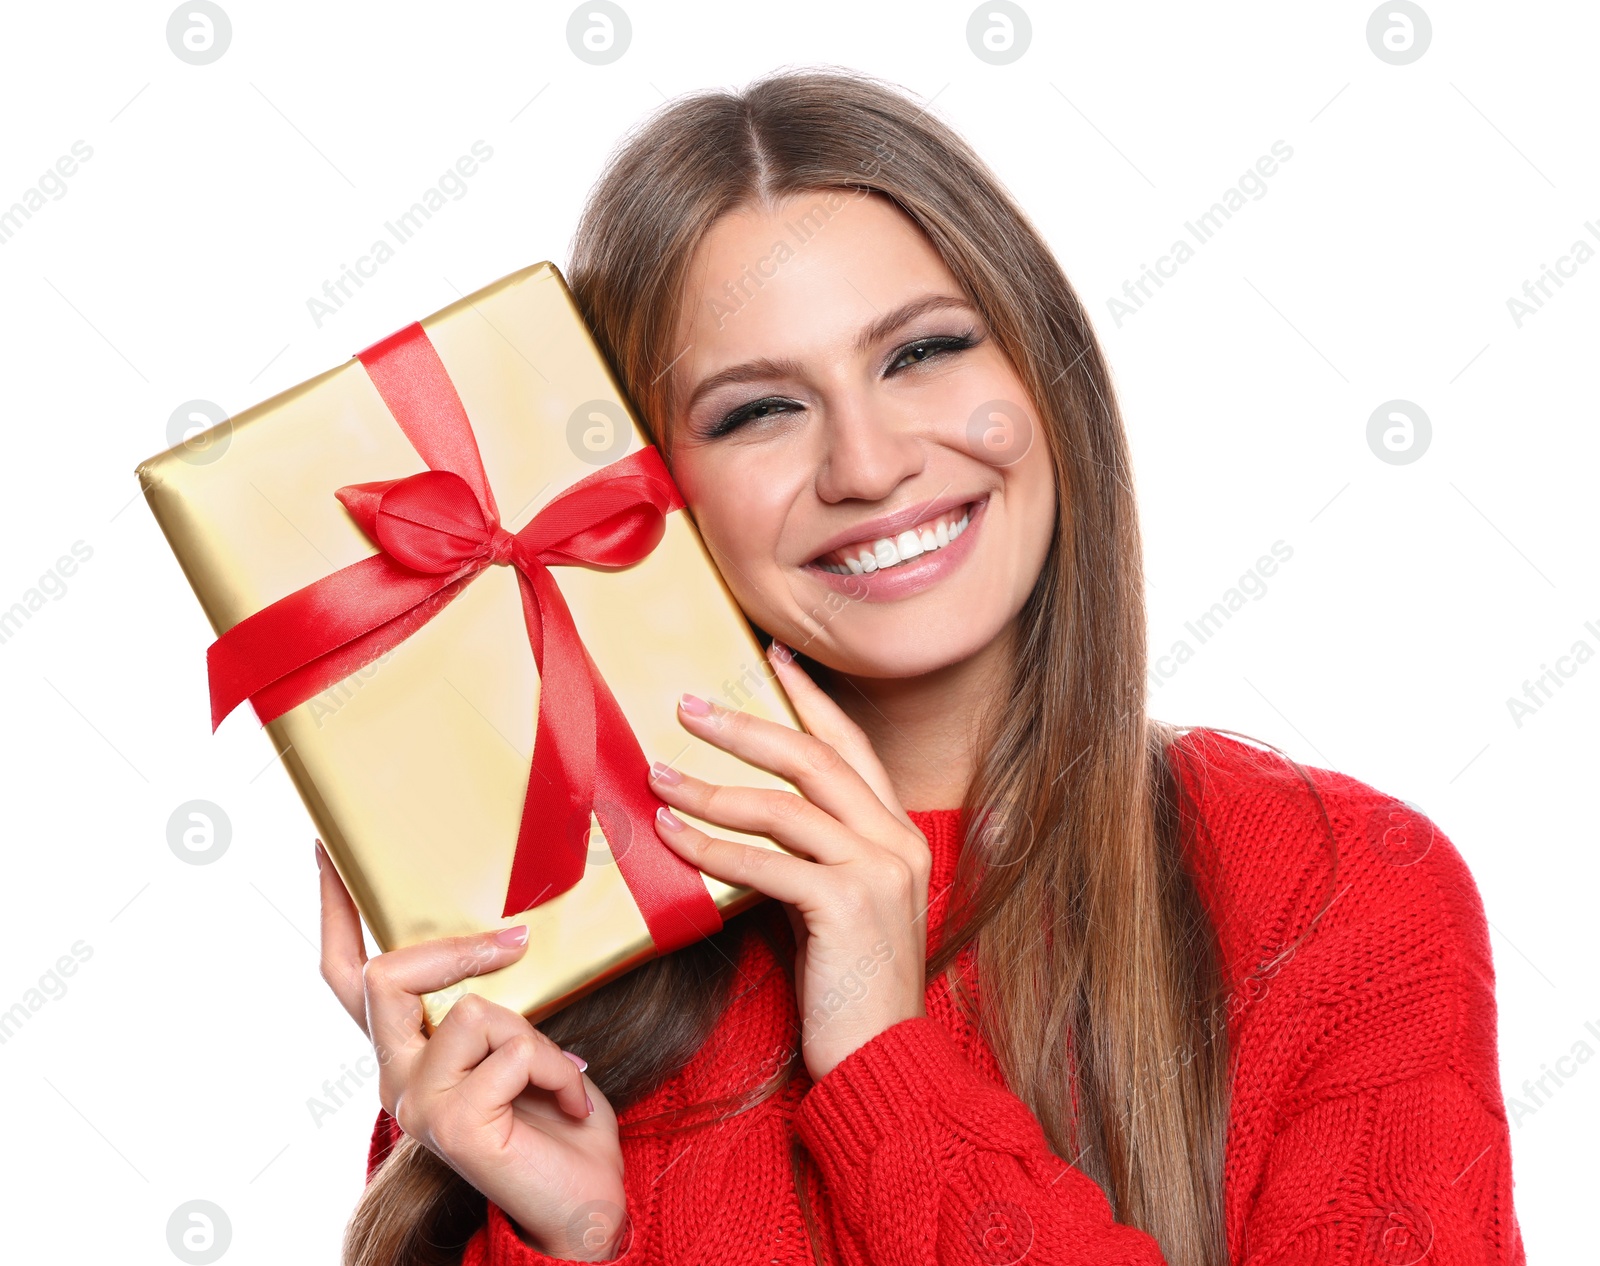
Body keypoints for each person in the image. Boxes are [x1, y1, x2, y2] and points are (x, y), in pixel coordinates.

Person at [316, 68, 1526, 1265]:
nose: (867, 462)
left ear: (1044, 375)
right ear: (649, 492)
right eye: (756, 412)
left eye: (920, 353)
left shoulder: (1339, 896)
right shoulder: (564, 958)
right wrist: (576, 1240)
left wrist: (886, 1067)